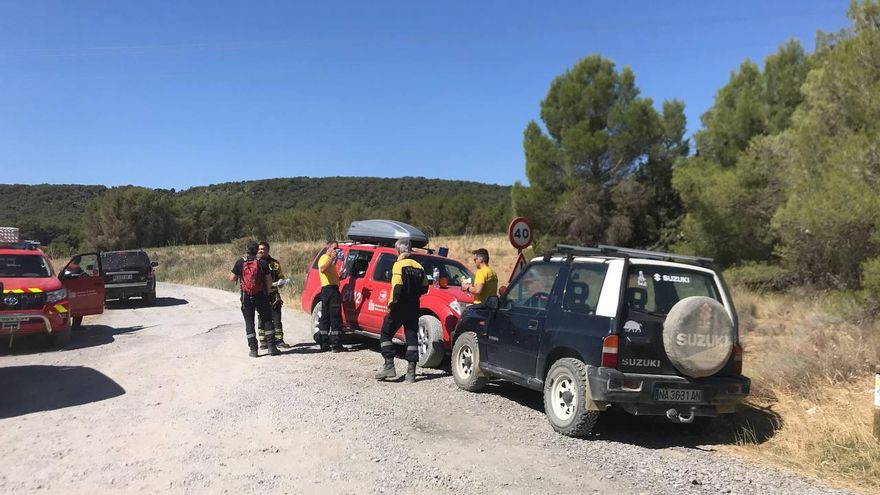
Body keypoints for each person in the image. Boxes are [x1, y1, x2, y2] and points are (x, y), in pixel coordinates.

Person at [374, 238, 429, 383]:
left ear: (398, 250)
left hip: (399, 306)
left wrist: (391, 306)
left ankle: (389, 367)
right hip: (413, 307)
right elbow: (425, 288)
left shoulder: (398, 265)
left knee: (385, 334)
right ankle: (411, 374)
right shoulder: (419, 267)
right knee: (411, 338)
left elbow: (397, 288)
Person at [228, 240, 279, 357]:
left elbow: (232, 278)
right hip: (261, 295)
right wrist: (268, 290)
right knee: (267, 320)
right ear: (256, 250)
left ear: (247, 250)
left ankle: (253, 350)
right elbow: (269, 279)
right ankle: (271, 347)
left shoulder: (241, 261)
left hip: (246, 297)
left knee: (249, 323)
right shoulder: (262, 262)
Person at [256, 241, 290, 350]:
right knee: (262, 318)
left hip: (273, 294)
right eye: (259, 249)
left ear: (268, 250)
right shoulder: (255, 263)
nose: (261, 251)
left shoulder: (274, 263)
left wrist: (281, 282)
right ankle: (263, 342)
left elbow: (281, 276)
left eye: (263, 249)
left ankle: (279, 341)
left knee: (276, 317)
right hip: (261, 294)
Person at [317, 240, 345, 352]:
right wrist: (332, 258)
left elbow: (331, 274)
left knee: (327, 316)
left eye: (337, 248)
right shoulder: (325, 258)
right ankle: (335, 344)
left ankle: (325, 344)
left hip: (332, 288)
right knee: (334, 317)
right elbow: (322, 269)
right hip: (329, 290)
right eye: (334, 248)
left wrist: (340, 275)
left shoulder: (331, 262)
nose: (336, 250)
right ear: (328, 248)